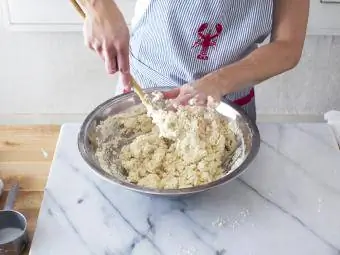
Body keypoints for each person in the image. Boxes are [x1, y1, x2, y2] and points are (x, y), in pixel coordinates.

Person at [76, 0, 309, 121]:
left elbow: (287, 46)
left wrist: (218, 82)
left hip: (227, 101)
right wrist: (97, 7)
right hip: (146, 89)